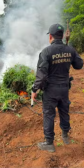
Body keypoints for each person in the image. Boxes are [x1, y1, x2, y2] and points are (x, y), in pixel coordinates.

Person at [31, 23, 83, 152]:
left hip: (50, 90)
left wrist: (34, 90)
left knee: (49, 115)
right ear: (62, 35)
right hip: (64, 89)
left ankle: (49, 143)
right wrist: (71, 52)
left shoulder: (46, 52)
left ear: (51, 37)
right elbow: (79, 65)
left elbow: (41, 75)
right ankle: (65, 136)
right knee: (64, 112)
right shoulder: (69, 49)